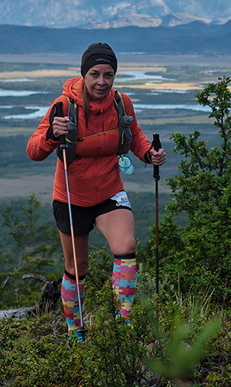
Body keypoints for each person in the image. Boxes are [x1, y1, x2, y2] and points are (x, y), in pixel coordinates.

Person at [27, 42, 165, 339]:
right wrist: (52, 134)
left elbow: (135, 136)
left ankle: (123, 328)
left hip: (109, 191)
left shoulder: (122, 103)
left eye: (108, 74)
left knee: (126, 245)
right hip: (71, 197)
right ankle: (76, 332)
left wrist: (148, 154)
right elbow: (33, 150)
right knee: (77, 267)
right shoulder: (64, 106)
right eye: (95, 74)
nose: (102, 81)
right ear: (84, 74)